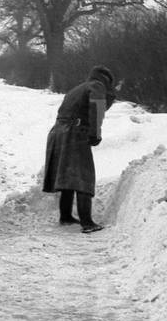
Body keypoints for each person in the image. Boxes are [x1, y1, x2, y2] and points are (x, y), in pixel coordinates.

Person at [42, 65, 116, 233]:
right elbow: (97, 108)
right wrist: (95, 133)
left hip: (58, 132)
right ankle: (87, 223)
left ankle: (66, 216)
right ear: (106, 80)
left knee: (69, 175)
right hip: (74, 133)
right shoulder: (96, 86)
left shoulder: (77, 89)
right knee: (83, 175)